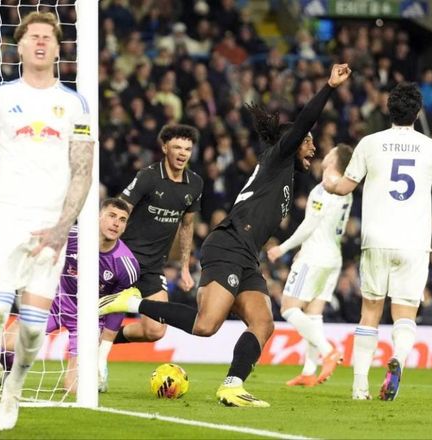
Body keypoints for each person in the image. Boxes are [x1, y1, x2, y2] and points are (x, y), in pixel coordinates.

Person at [101, 64, 352, 407]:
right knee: (206, 326)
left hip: (247, 256)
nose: (312, 148)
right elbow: (304, 121)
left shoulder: (285, 177)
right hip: (228, 245)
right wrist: (329, 87)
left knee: (263, 323)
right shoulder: (277, 157)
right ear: (292, 142)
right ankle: (129, 303)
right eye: (307, 142)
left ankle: (232, 386)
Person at [0, 11, 95, 435]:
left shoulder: (75, 104)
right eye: (33, 36)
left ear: (58, 48)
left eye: (47, 37)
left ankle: (14, 387)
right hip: (8, 218)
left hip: (50, 227)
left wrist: (62, 228)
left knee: (34, 332)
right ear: (19, 46)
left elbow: (83, 171)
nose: (40, 42)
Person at [322, 82, 432, 401]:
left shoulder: (369, 143)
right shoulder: (431, 148)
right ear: (418, 112)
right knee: (405, 312)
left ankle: (360, 387)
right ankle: (398, 359)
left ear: (388, 110)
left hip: (376, 239)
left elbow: (344, 187)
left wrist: (328, 181)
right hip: (414, 241)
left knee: (370, 310)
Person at [0, 198, 139, 394]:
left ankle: (96, 373)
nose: (116, 223)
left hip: (89, 319)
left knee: (74, 389)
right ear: (98, 216)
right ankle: (8, 373)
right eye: (112, 216)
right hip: (56, 303)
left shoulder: (126, 265)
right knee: (6, 345)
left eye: (122, 220)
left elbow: (117, 310)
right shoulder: (71, 236)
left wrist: (102, 355)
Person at [266, 144, 354, 387]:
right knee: (313, 315)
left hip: (315, 257)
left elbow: (310, 225)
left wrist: (282, 248)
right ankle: (308, 371)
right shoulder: (347, 189)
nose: (325, 154)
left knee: (288, 308)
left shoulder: (325, 187)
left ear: (334, 160)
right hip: (333, 257)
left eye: (331, 152)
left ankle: (328, 351)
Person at [111, 124, 203, 345]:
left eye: (187, 149)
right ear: (164, 148)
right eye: (177, 147)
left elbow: (187, 226)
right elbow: (119, 210)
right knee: (101, 315)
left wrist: (184, 268)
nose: (182, 153)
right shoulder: (148, 177)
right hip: (124, 260)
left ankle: (103, 341)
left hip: (152, 268)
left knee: (155, 330)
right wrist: (105, 249)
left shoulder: (195, 184)